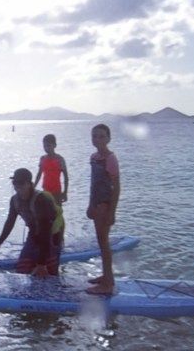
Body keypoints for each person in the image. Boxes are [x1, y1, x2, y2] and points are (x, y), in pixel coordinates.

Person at [0, 168, 63, 277]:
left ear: (30, 184)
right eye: (15, 183)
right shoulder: (14, 201)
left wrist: (41, 264)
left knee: (49, 272)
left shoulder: (41, 200)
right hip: (34, 234)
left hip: (52, 235)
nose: (17, 186)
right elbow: (10, 222)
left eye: (21, 183)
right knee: (22, 268)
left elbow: (46, 231)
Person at [86, 123, 121, 295]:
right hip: (96, 204)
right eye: (94, 136)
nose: (97, 139)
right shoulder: (94, 157)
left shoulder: (110, 158)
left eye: (101, 136)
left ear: (108, 138)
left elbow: (116, 187)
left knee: (104, 243)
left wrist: (111, 212)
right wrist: (90, 205)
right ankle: (107, 277)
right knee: (101, 242)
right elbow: (94, 184)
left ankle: (107, 284)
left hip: (105, 206)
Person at [34, 134, 69, 203]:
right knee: (46, 211)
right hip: (45, 190)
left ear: (54, 145)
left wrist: (65, 192)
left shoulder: (60, 159)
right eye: (45, 146)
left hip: (57, 191)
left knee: (57, 211)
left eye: (49, 146)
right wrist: (33, 187)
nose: (46, 148)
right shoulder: (43, 159)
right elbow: (39, 174)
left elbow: (66, 177)